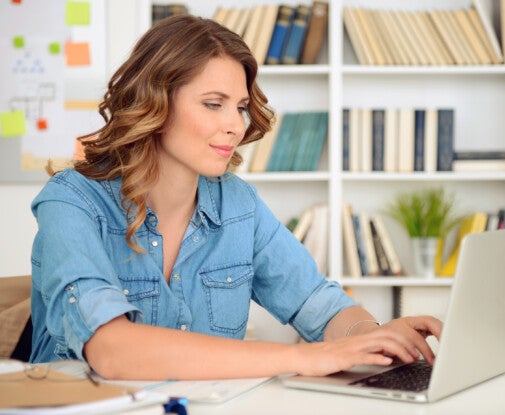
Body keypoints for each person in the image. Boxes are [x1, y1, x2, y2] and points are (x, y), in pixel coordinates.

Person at [29, 14, 442, 380]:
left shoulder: (237, 204)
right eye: (213, 104)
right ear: (153, 102)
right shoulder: (71, 202)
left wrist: (373, 339)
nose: (236, 125)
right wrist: (306, 357)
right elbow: (111, 350)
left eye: (241, 106)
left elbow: (320, 303)